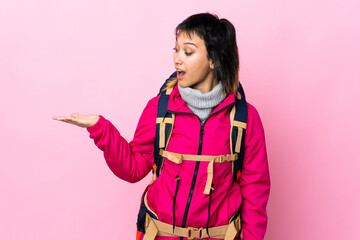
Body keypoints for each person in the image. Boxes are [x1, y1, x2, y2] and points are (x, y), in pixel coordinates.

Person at [53, 13, 270, 240]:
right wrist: (101, 128)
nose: (177, 59)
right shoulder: (159, 109)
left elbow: (255, 189)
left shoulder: (245, 118)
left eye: (188, 52)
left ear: (214, 59)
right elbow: (133, 168)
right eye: (176, 50)